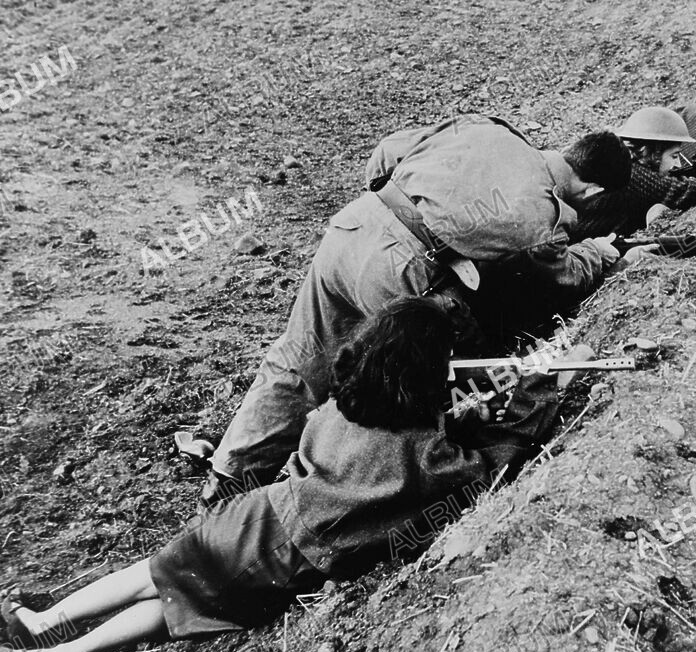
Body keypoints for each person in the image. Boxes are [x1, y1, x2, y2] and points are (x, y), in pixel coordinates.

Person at [0, 298, 565, 652]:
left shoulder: (337, 408)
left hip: (250, 515)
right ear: (425, 374)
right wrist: (535, 387)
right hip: (280, 557)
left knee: (160, 572)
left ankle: (45, 625)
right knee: (179, 605)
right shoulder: (421, 450)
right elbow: (490, 463)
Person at [204, 115, 630, 505]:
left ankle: (228, 481)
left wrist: (397, 211)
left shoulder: (490, 128)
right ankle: (342, 490)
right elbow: (562, 276)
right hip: (402, 270)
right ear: (592, 190)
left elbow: (387, 152)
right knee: (406, 381)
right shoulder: (544, 214)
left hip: (351, 229)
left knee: (298, 353)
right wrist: (599, 250)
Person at [572, 107, 696, 240]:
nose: (677, 163)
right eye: (674, 156)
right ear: (649, 152)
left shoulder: (628, 164)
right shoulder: (634, 175)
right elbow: (690, 190)